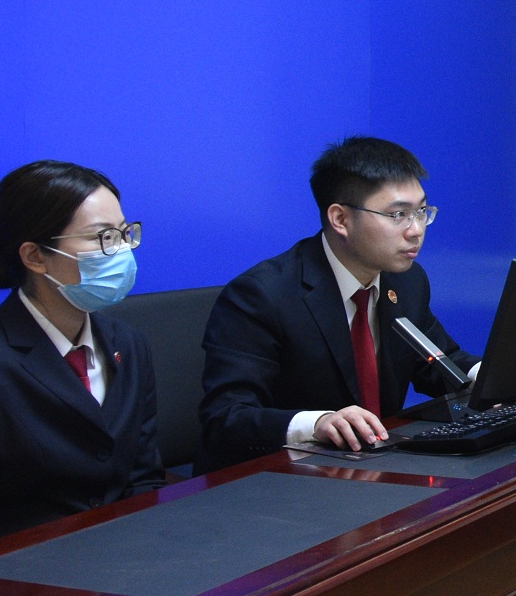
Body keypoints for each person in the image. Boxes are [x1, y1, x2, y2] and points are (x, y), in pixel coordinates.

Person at [0, 161, 163, 556]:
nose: (121, 249)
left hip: (130, 563)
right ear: (36, 256)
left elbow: (144, 480)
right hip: (21, 577)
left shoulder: (128, 343)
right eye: (103, 237)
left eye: (125, 233)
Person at [198, 136, 476, 471]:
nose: (416, 230)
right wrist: (317, 424)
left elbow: (437, 361)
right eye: (398, 214)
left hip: (376, 467)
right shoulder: (261, 295)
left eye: (421, 212)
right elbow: (226, 418)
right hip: (282, 478)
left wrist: (491, 376)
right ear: (340, 219)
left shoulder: (406, 281)